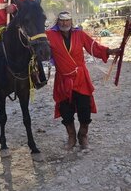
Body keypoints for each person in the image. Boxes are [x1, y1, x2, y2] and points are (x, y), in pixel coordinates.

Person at [46, 11, 120, 150]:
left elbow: (93, 46)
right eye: (61, 20)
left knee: (84, 108)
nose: (64, 23)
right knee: (66, 111)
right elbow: (38, 46)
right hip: (63, 79)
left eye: (67, 20)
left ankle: (83, 135)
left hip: (80, 77)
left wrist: (110, 51)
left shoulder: (79, 34)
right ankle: (72, 136)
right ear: (58, 22)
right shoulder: (49, 35)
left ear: (71, 21)